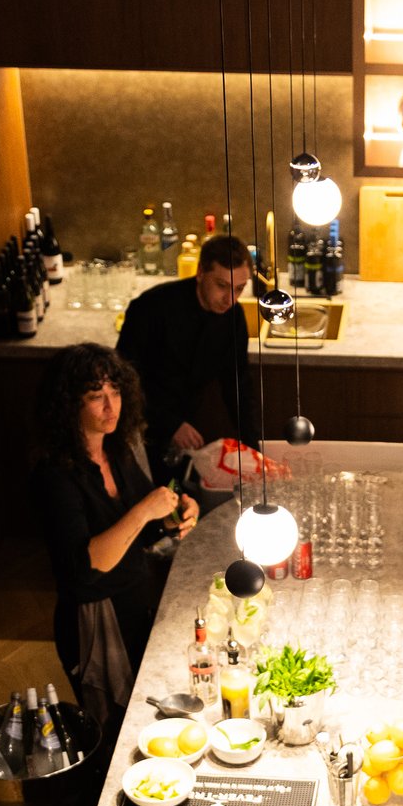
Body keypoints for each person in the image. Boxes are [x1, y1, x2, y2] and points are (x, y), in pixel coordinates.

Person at [26, 344, 198, 731]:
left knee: (143, 712)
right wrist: (144, 510)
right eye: (96, 397)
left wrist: (173, 516)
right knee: (111, 728)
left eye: (115, 393)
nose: (111, 407)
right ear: (69, 405)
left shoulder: (117, 450)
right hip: (93, 620)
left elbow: (141, 530)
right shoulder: (54, 476)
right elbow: (89, 565)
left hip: (135, 601)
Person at [113, 230, 258, 476]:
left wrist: (255, 448)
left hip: (186, 422)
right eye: (222, 286)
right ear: (201, 272)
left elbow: (238, 385)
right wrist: (169, 424)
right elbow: (123, 380)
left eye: (240, 288)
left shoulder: (233, 318)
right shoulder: (151, 309)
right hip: (136, 424)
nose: (230, 299)